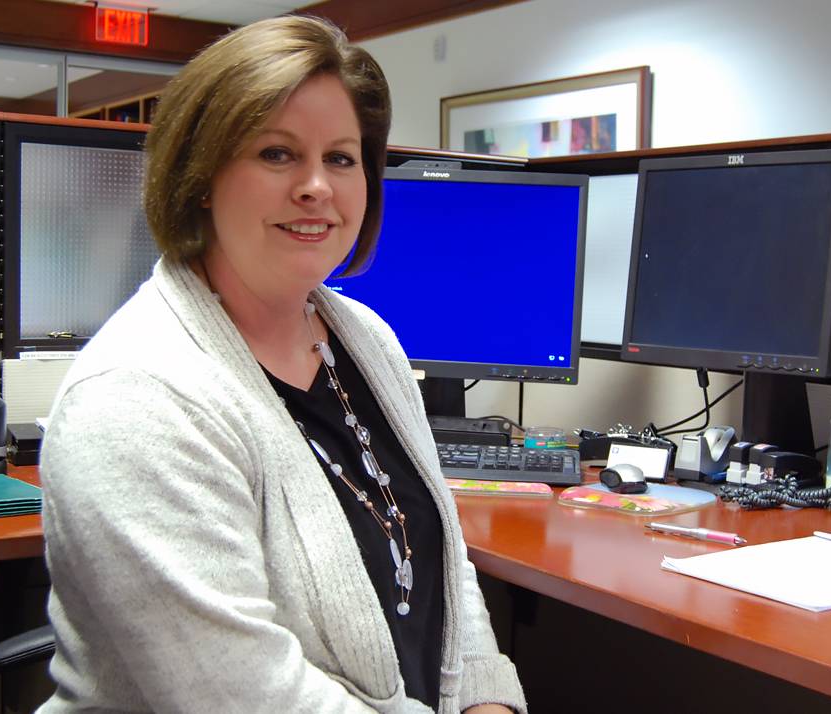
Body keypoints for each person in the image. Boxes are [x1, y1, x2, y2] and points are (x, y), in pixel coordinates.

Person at [37, 15, 526, 714]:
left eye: (341, 158)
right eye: (276, 153)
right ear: (201, 176)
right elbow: (241, 694)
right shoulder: (135, 398)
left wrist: (487, 703)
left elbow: (447, 576)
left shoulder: (366, 339)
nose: (316, 187)